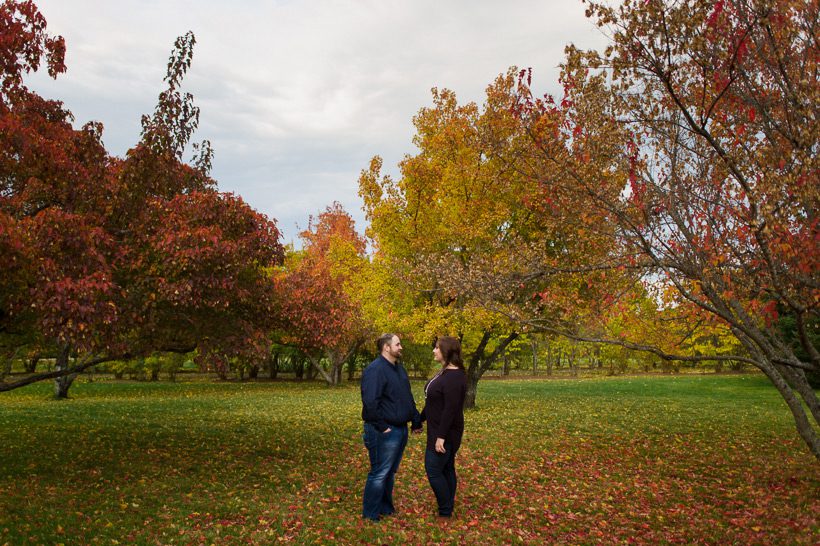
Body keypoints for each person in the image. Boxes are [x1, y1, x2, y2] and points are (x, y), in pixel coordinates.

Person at [360, 333, 422, 522]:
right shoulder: (375, 370)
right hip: (384, 431)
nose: (401, 347)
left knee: (389, 472)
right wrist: (382, 427)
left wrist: (415, 419)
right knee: (379, 473)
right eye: (398, 344)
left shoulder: (399, 369)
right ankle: (370, 515)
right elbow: (370, 402)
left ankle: (385, 508)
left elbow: (406, 396)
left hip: (400, 429)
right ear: (386, 347)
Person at [420, 336, 467, 520]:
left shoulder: (455, 377)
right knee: (446, 468)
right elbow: (434, 401)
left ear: (446, 351)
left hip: (445, 432)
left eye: (437, 348)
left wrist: (441, 437)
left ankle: (445, 509)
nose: (434, 350)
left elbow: (450, 409)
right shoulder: (446, 372)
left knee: (433, 469)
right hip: (438, 429)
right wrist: (420, 418)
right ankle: (448, 506)